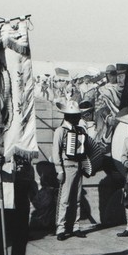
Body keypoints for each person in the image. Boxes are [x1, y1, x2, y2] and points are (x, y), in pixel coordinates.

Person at [52, 100, 88, 241]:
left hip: (78, 166)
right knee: (64, 200)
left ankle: (75, 226)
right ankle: (61, 228)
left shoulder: (80, 131)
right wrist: (59, 170)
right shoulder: (60, 131)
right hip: (66, 167)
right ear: (68, 116)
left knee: (77, 199)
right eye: (76, 116)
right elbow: (56, 152)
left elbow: (85, 149)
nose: (78, 118)